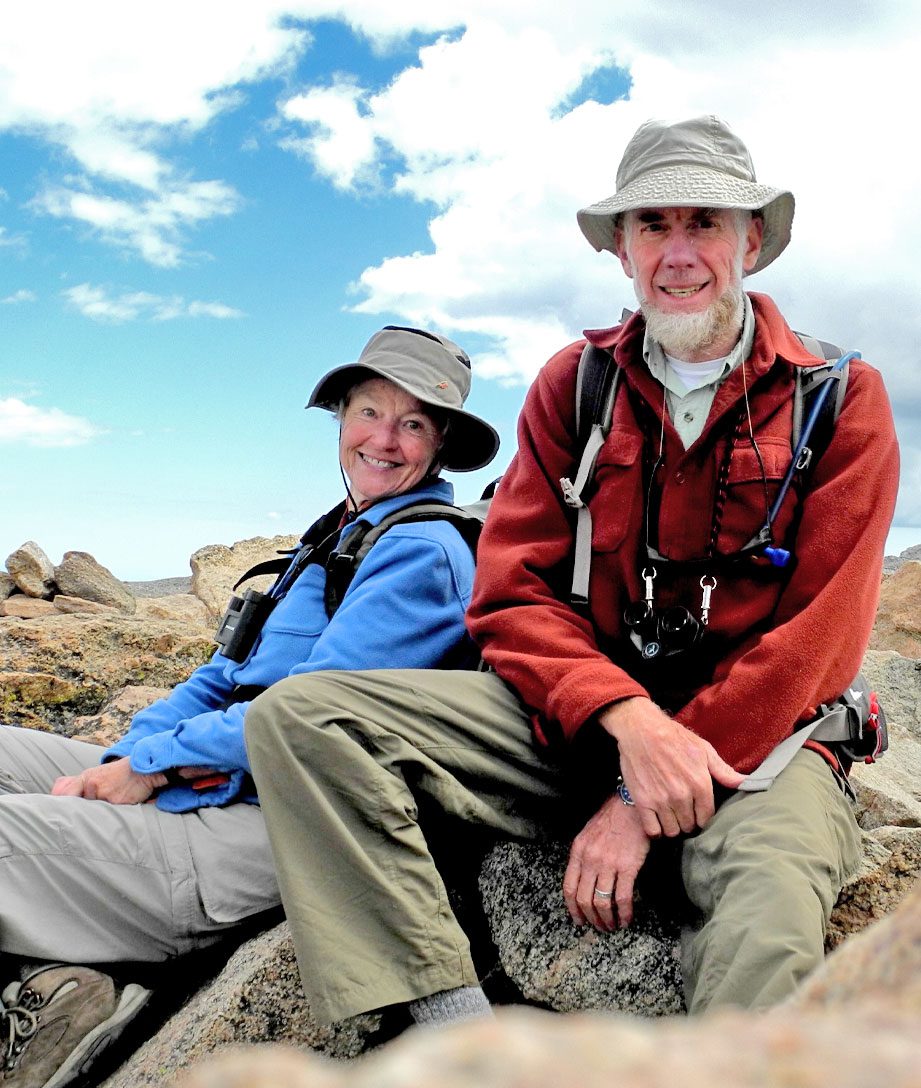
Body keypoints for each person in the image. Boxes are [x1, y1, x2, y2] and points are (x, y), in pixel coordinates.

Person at [244, 115, 898, 1029]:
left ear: (750, 240)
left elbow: (817, 643)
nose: (677, 253)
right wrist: (627, 724)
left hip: (762, 747)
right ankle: (449, 1035)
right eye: (651, 226)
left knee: (769, 918)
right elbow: (509, 593)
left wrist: (639, 800)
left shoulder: (839, 396)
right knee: (305, 719)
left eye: (703, 222)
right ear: (620, 249)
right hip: (582, 724)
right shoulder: (573, 384)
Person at [0, 324, 499, 1088]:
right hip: (220, 778)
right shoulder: (337, 536)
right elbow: (224, 676)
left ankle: (59, 1000)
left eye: (412, 423)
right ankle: (55, 971)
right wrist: (134, 749)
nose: (383, 437)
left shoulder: (422, 554)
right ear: (339, 418)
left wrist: (153, 771)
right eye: (368, 410)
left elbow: (306, 717)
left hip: (281, 823)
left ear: (440, 444)